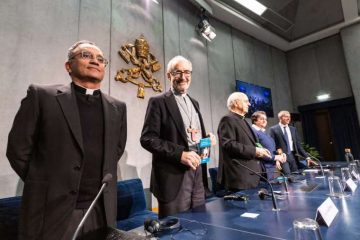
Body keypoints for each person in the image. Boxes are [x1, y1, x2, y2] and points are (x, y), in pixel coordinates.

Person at [6, 40, 127, 240]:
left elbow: (116, 150)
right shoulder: (42, 96)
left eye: (100, 59)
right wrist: (46, 184)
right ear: (68, 66)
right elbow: (18, 150)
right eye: (86, 55)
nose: (95, 61)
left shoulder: (117, 107)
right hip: (51, 210)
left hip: (99, 209)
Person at [140, 55, 215, 218]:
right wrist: (179, 154)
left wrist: (206, 140)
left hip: (197, 174)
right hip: (173, 177)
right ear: (169, 75)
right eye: (178, 72)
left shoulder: (195, 102)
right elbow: (148, 139)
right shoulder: (158, 102)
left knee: (200, 223)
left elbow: (190, 135)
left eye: (187, 72)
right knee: (175, 230)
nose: (183, 77)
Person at [217, 92, 271, 192]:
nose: (249, 104)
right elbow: (229, 145)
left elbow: (251, 144)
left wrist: (260, 151)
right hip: (240, 178)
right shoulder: (227, 119)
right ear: (236, 103)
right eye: (246, 101)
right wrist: (255, 151)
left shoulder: (243, 120)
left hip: (252, 176)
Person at [251, 111, 290, 177]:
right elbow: (259, 151)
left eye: (265, 119)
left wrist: (279, 155)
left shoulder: (263, 132)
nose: (264, 121)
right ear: (255, 121)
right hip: (264, 168)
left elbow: (272, 148)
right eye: (261, 119)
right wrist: (276, 157)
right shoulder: (253, 132)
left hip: (272, 167)